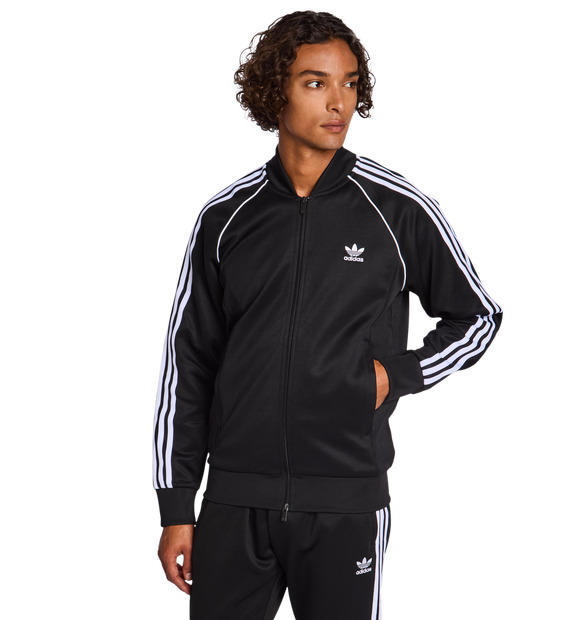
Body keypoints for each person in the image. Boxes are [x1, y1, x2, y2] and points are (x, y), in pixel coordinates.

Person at [150, 8, 504, 620]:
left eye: (350, 83)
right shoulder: (225, 218)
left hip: (346, 499)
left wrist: (395, 375)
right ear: (275, 92)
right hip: (234, 500)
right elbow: (188, 367)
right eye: (315, 83)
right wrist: (178, 506)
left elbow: (479, 316)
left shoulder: (397, 208)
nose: (339, 102)